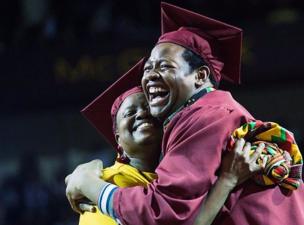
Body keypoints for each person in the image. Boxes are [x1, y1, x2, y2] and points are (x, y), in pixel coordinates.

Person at [66, 2, 304, 225]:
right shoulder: (211, 116)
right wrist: (227, 180)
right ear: (116, 139)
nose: (151, 76)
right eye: (148, 68)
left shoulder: (205, 117)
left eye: (164, 66)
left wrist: (88, 183)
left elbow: (165, 213)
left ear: (200, 76)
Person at [75, 59, 265, 225]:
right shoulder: (101, 183)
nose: (142, 114)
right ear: (118, 141)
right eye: (130, 113)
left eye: (149, 110)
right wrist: (227, 181)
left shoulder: (185, 178)